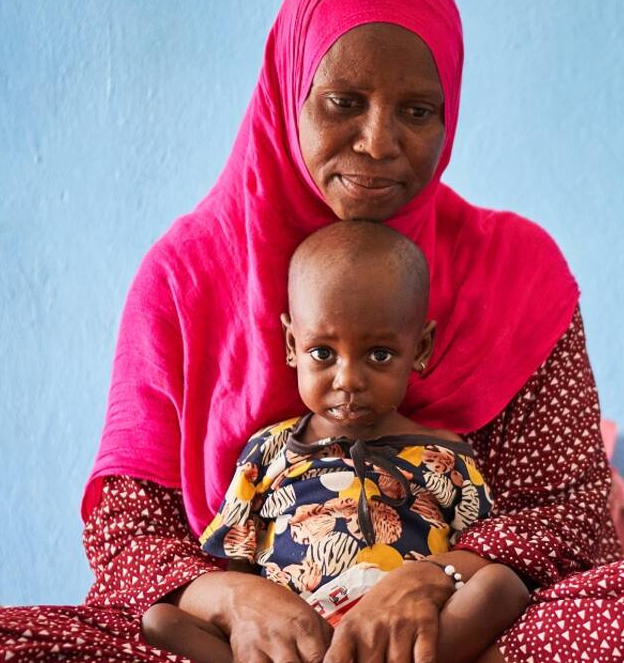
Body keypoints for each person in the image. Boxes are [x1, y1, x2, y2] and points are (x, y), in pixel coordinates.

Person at [0, 0, 624, 661]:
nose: (378, 143)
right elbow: (129, 535)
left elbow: (568, 515)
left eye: (417, 111)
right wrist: (236, 600)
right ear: (290, 89)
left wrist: (433, 579)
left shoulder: (514, 271)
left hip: (448, 636)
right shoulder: (185, 279)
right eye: (343, 102)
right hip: (253, 640)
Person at [139, 221, 529, 663]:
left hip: (400, 638)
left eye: (379, 355)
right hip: (299, 641)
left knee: (502, 585)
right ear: (292, 344)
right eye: (323, 353)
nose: (348, 380)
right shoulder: (268, 450)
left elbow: (478, 552)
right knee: (161, 620)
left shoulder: (445, 454)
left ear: (420, 348)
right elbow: (239, 568)